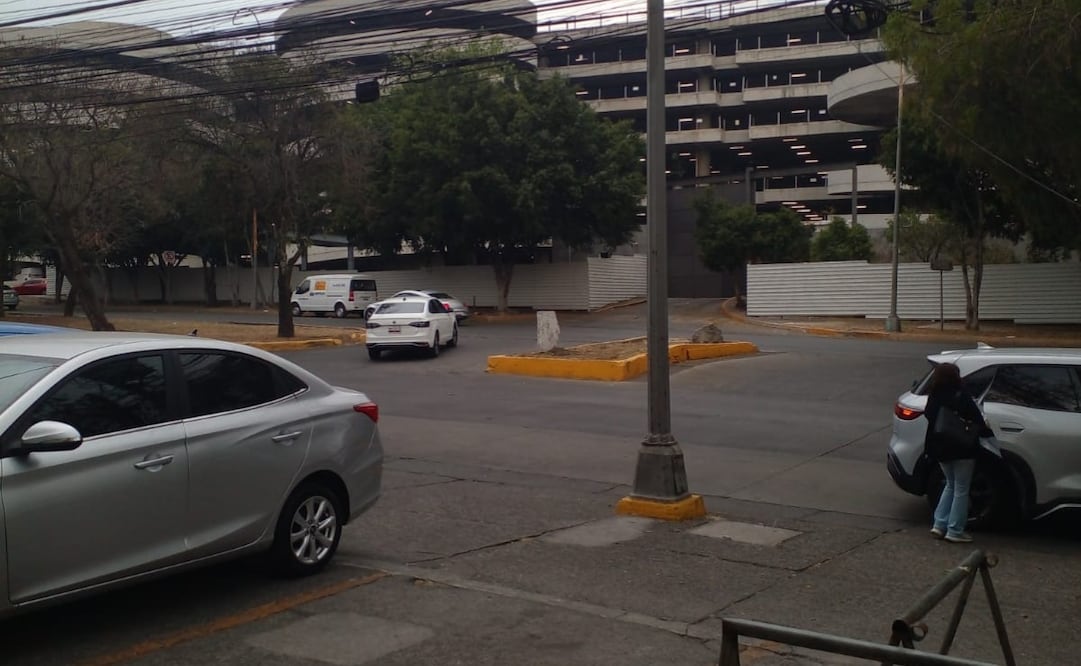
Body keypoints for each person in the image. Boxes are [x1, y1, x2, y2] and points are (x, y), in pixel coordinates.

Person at [923, 362, 993, 543]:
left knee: (950, 485)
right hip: (962, 448)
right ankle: (955, 530)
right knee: (962, 489)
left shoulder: (934, 395)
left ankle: (939, 525)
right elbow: (977, 420)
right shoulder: (961, 395)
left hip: (939, 448)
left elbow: (929, 415)